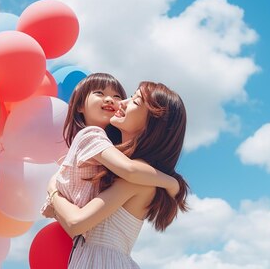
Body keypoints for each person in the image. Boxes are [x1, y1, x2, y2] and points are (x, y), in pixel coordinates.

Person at [44, 81, 189, 268]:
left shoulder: (136, 178)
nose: (122, 103)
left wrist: (53, 189)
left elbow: (76, 223)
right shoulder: (141, 175)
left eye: (135, 101)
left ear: (152, 124)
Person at [41, 73, 179, 216]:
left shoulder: (113, 148)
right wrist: (171, 182)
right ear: (80, 106)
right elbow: (130, 170)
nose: (110, 100)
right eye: (99, 93)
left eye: (117, 96)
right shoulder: (91, 135)